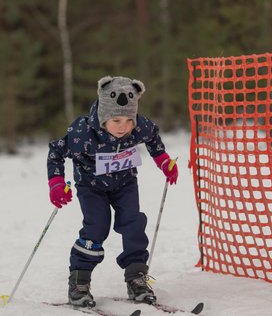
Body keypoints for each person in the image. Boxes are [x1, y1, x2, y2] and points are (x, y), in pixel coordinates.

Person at [47, 76, 178, 307]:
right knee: (96, 227)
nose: (123, 127)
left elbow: (153, 138)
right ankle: (79, 280)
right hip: (91, 186)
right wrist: (57, 182)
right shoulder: (83, 133)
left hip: (125, 184)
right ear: (103, 117)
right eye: (116, 120)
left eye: (129, 120)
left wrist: (164, 160)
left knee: (133, 223)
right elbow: (56, 151)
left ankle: (136, 277)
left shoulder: (139, 127)